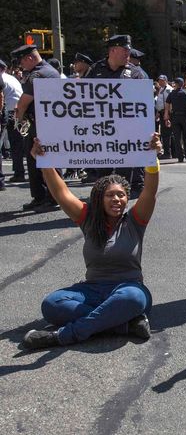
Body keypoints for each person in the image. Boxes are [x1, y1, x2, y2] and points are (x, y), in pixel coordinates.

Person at [21, 134, 162, 349]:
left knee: (133, 299)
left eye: (122, 195)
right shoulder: (87, 218)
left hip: (127, 289)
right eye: (110, 195)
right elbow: (61, 193)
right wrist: (45, 163)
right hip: (91, 291)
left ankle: (62, 336)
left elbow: (150, 191)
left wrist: (152, 159)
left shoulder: (135, 221)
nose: (117, 199)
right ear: (99, 198)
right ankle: (124, 324)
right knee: (51, 304)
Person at [82, 35, 147, 193]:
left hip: (127, 132)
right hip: (102, 131)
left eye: (129, 50)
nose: (128, 54)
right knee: (103, 173)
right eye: (125, 50)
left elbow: (144, 103)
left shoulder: (135, 73)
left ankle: (121, 205)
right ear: (112, 50)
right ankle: (102, 205)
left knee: (124, 173)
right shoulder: (95, 70)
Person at [10, 44, 61, 211]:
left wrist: (19, 119)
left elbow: (24, 102)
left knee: (41, 158)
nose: (21, 66)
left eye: (22, 62)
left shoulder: (38, 75)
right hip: (47, 123)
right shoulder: (49, 71)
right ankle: (47, 196)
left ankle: (48, 197)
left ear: (30, 58)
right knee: (42, 159)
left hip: (41, 124)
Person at [1, 58, 24, 183]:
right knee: (17, 145)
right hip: (19, 112)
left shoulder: (2, 79)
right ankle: (19, 172)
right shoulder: (11, 78)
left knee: (9, 144)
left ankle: (18, 172)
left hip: (9, 113)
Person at [164, 77, 186, 163]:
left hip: (175, 117)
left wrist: (166, 116)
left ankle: (180, 157)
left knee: (177, 138)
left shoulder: (171, 94)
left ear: (177, 84)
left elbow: (167, 106)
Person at [155, 75, 173, 159]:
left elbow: (169, 104)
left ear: (166, 81)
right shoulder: (162, 89)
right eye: (159, 80)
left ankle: (167, 153)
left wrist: (167, 115)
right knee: (165, 134)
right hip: (162, 113)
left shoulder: (168, 89)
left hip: (167, 114)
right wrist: (158, 112)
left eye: (162, 80)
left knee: (166, 134)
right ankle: (168, 152)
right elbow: (160, 102)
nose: (160, 82)